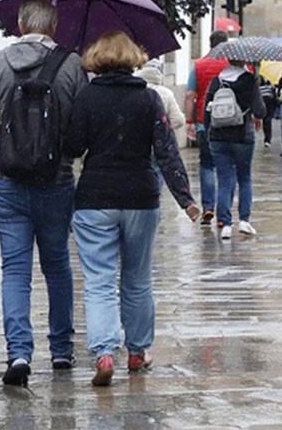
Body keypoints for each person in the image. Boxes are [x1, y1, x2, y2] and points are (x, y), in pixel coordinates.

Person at [65, 33, 199, 387]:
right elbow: (167, 152)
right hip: (141, 196)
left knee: (99, 281)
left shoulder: (86, 97)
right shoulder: (150, 99)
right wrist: (185, 199)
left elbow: (73, 147)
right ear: (133, 58)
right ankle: (138, 351)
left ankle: (105, 352)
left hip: (95, 198)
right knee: (138, 279)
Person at [0, 0, 88, 387]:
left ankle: (19, 353)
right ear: (53, 27)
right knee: (57, 267)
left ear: (21, 25)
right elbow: (79, 129)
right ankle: (61, 350)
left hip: (8, 181)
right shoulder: (71, 65)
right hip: (56, 182)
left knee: (15, 270)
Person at [204, 59, 267, 240]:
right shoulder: (248, 80)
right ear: (243, 60)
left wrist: (209, 133)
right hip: (242, 137)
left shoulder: (217, 80)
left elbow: (206, 110)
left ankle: (225, 224)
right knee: (244, 178)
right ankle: (245, 221)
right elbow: (260, 111)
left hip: (218, 137)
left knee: (224, 180)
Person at [184, 31, 230, 226]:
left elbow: (189, 95)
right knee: (227, 168)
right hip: (228, 123)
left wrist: (190, 122)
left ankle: (208, 207)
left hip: (204, 122)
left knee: (206, 165)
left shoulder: (199, 66)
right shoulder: (231, 65)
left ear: (210, 44)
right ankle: (223, 214)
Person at [259, 76, 277, 148]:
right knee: (265, 121)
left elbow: (274, 94)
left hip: (270, 103)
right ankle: (267, 138)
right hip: (262, 103)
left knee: (267, 121)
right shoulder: (257, 84)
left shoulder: (271, 83)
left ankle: (267, 139)